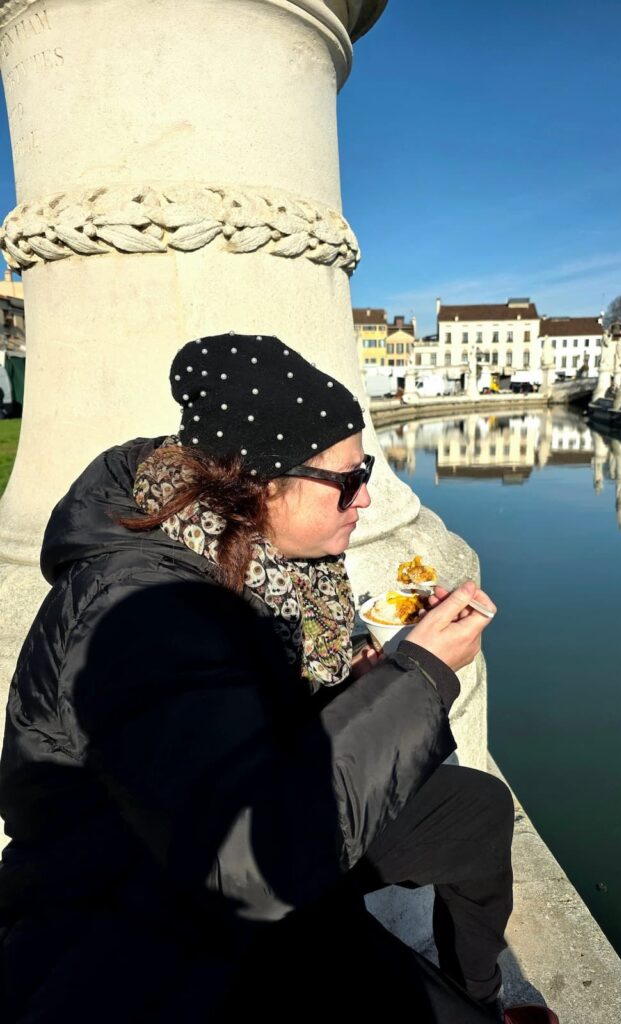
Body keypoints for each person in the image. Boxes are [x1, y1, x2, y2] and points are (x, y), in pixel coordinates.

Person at [0, 334, 539, 1024]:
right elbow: (244, 863)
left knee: (477, 813)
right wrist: (421, 673)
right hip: (136, 907)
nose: (367, 498)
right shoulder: (144, 611)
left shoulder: (268, 557)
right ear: (258, 483)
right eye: (348, 479)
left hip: (262, 816)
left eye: (366, 468)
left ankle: (484, 990)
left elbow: (250, 712)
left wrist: (364, 680)